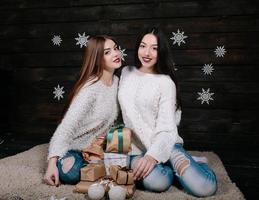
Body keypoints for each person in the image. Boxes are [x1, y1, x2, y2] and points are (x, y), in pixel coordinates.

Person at [118, 27, 217, 197]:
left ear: (161, 52)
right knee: (157, 182)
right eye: (143, 46)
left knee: (205, 187)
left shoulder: (165, 83)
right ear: (137, 48)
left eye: (154, 48)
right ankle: (176, 166)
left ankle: (189, 164)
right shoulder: (126, 73)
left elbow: (166, 127)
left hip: (165, 143)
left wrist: (153, 156)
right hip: (136, 147)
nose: (147, 52)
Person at [44, 35, 122, 186]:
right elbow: (67, 126)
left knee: (125, 163)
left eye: (116, 48)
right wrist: (52, 163)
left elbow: (118, 120)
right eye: (107, 52)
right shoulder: (90, 88)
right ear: (97, 58)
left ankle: (98, 166)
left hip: (99, 148)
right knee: (71, 173)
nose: (116, 53)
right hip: (75, 147)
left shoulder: (119, 83)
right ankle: (93, 167)